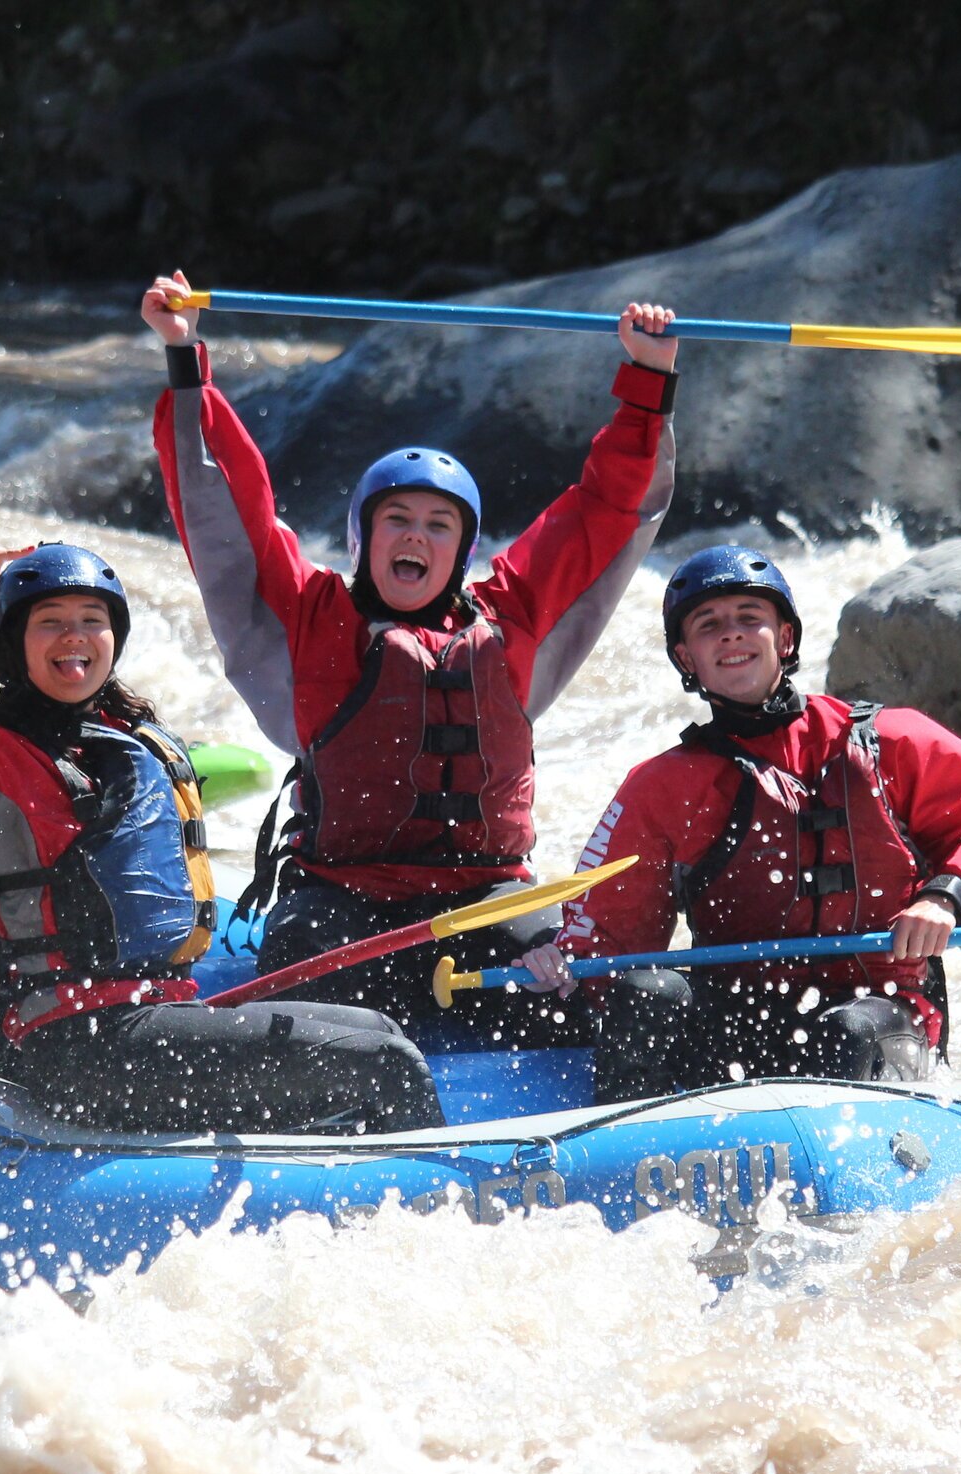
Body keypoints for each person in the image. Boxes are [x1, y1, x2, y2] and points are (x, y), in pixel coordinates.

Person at [143, 269, 677, 1039]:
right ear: (364, 538)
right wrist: (186, 359)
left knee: (603, 980)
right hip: (342, 902)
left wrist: (648, 379)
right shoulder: (315, 616)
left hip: (490, 902)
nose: (417, 536)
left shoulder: (513, 617)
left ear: (461, 551)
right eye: (398, 518)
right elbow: (229, 505)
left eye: (438, 524)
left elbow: (603, 510)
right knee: (299, 988)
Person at [0, 543, 446, 1134]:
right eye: (50, 622)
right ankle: (446, 1205)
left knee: (379, 1029)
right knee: (388, 1065)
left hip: (156, 1016)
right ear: (11, 644)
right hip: (83, 1046)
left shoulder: (121, 736)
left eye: (91, 621)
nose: (74, 636)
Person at [517, 546, 961, 1103]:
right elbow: (609, 933)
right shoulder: (664, 786)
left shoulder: (894, 741)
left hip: (881, 1009)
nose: (731, 635)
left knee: (845, 1033)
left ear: (784, 639)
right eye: (709, 625)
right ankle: (630, 1158)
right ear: (686, 658)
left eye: (749, 618)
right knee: (647, 992)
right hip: (741, 1015)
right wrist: (563, 961)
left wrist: (945, 898)